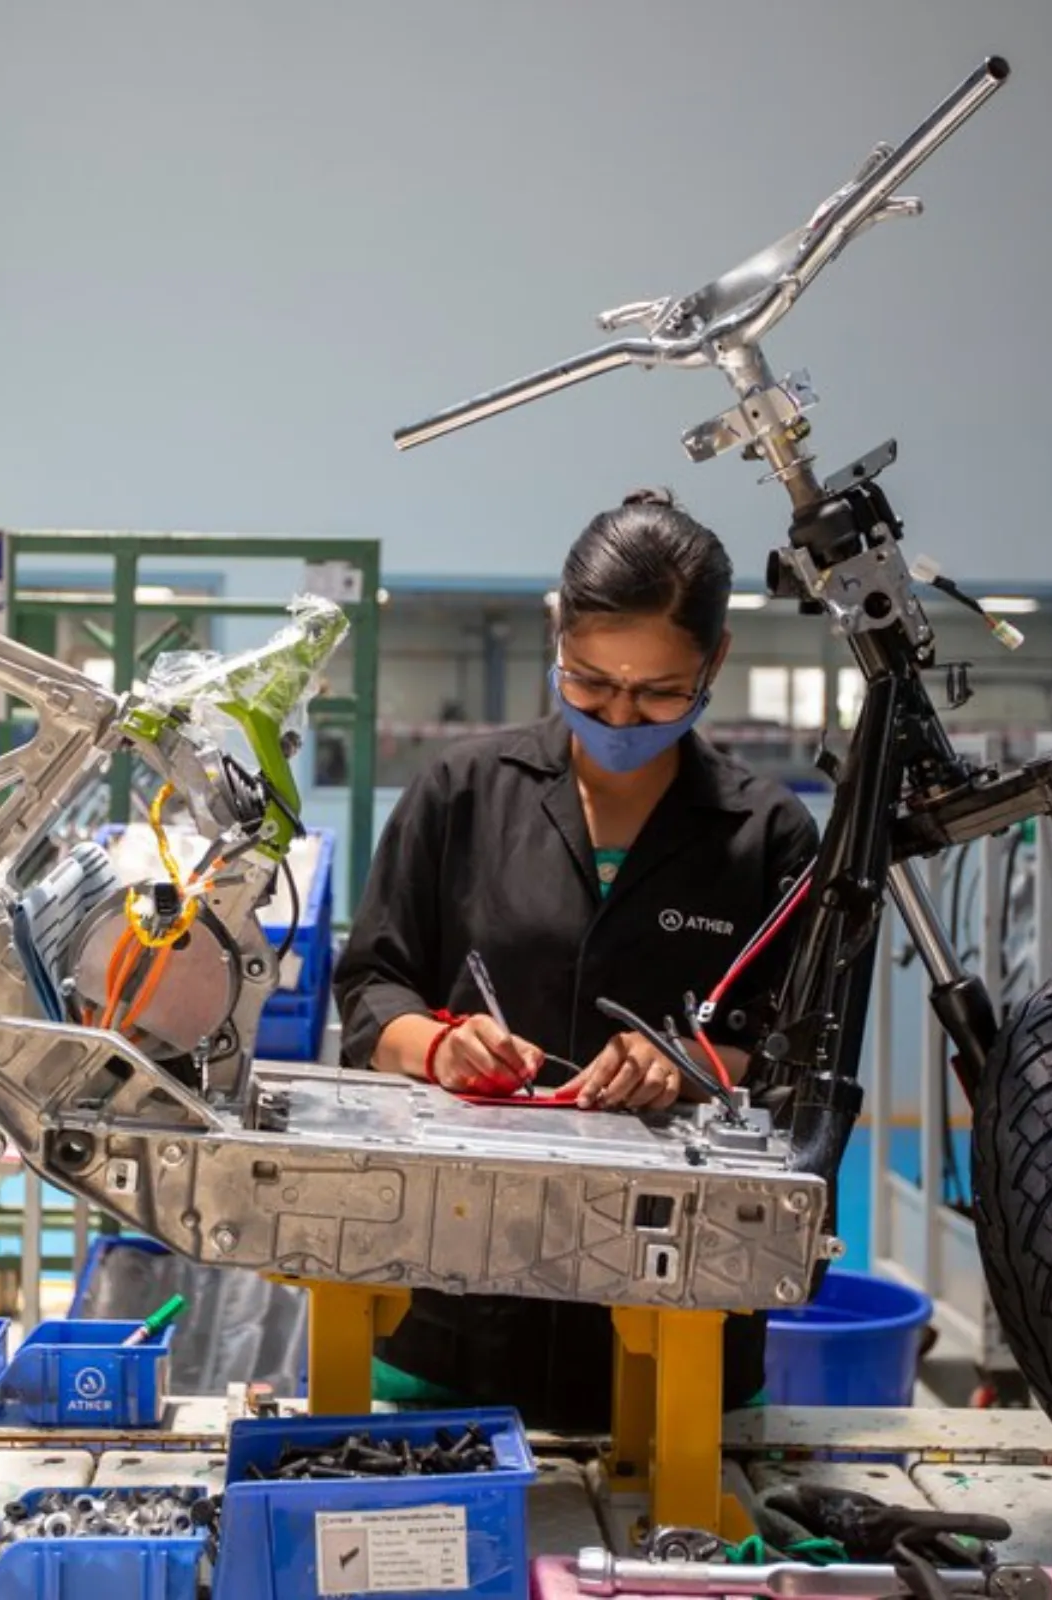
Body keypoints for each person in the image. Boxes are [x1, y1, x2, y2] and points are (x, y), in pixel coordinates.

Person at [332, 487, 820, 1430]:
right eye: (591, 682)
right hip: (452, 1309)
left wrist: (688, 1066)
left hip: (676, 1325)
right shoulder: (461, 793)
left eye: (660, 691)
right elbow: (372, 984)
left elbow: (792, 1054)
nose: (623, 715)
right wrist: (433, 1045)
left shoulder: (770, 837)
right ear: (557, 635)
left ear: (715, 661)